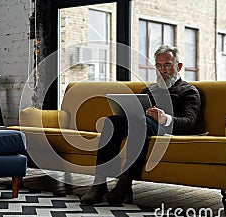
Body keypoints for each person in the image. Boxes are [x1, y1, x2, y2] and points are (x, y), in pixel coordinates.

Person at [80, 45, 201, 205]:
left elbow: (189, 122)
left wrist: (165, 118)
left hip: (166, 129)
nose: (162, 70)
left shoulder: (189, 91)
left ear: (178, 67)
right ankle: (99, 184)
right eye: (158, 65)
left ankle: (125, 182)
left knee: (139, 121)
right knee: (112, 122)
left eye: (167, 65)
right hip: (141, 124)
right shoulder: (148, 89)